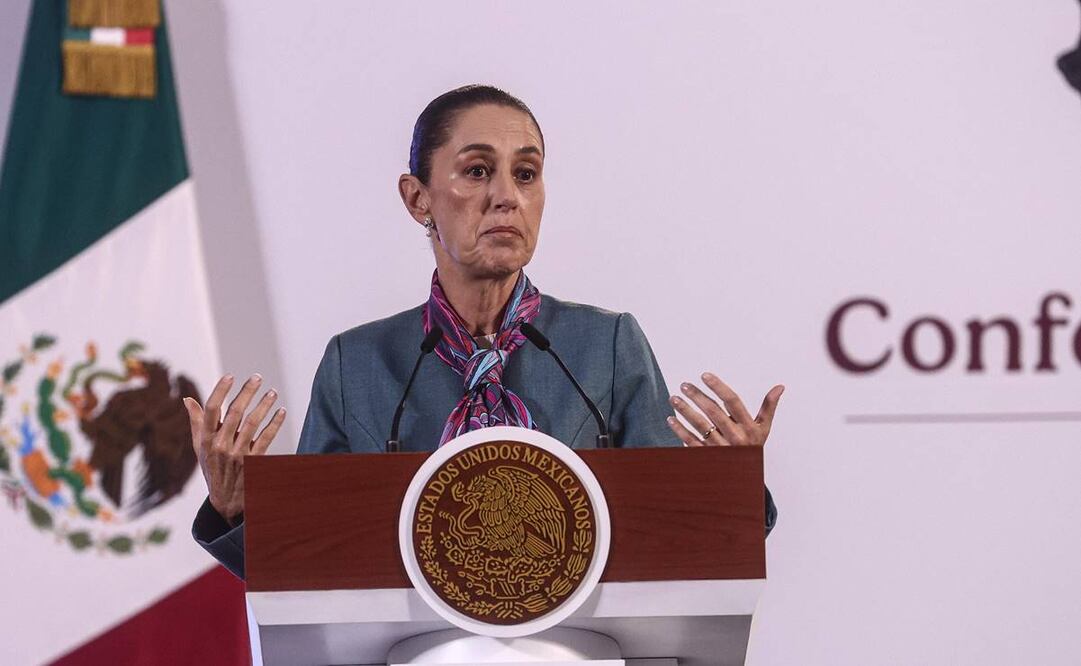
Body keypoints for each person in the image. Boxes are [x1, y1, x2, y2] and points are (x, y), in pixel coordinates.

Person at [187, 85, 782, 579]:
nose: (506, 197)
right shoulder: (357, 364)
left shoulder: (605, 347)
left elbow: (683, 544)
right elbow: (308, 571)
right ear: (417, 199)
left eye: (526, 174)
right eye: (477, 172)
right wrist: (236, 510)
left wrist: (730, 487)